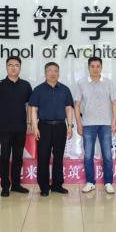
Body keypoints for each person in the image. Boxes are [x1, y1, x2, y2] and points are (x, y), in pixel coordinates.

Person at [0, 56, 33, 197]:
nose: (13, 68)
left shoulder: (26, 85)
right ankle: (5, 186)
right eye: (10, 65)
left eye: (16, 65)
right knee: (4, 157)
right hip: (4, 127)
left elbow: (29, 105)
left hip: (21, 127)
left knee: (18, 157)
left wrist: (29, 123)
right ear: (6, 67)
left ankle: (16, 185)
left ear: (20, 68)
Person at [29, 62, 74, 197]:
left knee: (59, 156)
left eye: (55, 71)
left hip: (61, 126)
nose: (52, 73)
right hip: (44, 126)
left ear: (59, 73)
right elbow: (34, 110)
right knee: (43, 157)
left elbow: (68, 109)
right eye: (49, 71)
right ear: (45, 73)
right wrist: (35, 127)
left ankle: (57, 185)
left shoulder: (65, 89)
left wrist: (70, 126)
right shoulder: (38, 90)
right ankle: (44, 186)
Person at [75, 57, 116, 194]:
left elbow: (114, 103)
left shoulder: (108, 82)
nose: (95, 69)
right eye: (92, 66)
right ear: (88, 68)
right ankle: (90, 182)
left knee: (107, 156)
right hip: (88, 124)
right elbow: (77, 104)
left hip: (105, 124)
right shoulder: (81, 83)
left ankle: (108, 183)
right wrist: (79, 123)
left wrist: (114, 121)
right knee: (88, 156)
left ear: (101, 68)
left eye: (97, 66)